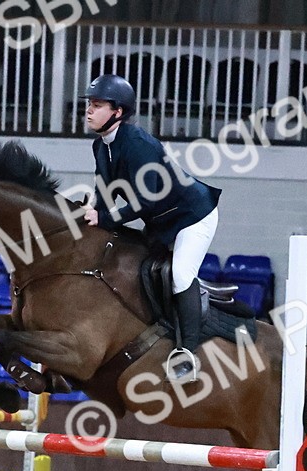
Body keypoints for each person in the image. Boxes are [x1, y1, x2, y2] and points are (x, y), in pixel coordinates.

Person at [81, 74, 221, 384]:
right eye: (89, 104)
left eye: (98, 105)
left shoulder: (137, 144)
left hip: (193, 216)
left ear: (118, 112)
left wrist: (102, 219)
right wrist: (88, 214)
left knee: (182, 275)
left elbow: (145, 201)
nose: (89, 110)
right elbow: (104, 195)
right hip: (161, 222)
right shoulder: (101, 146)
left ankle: (188, 354)